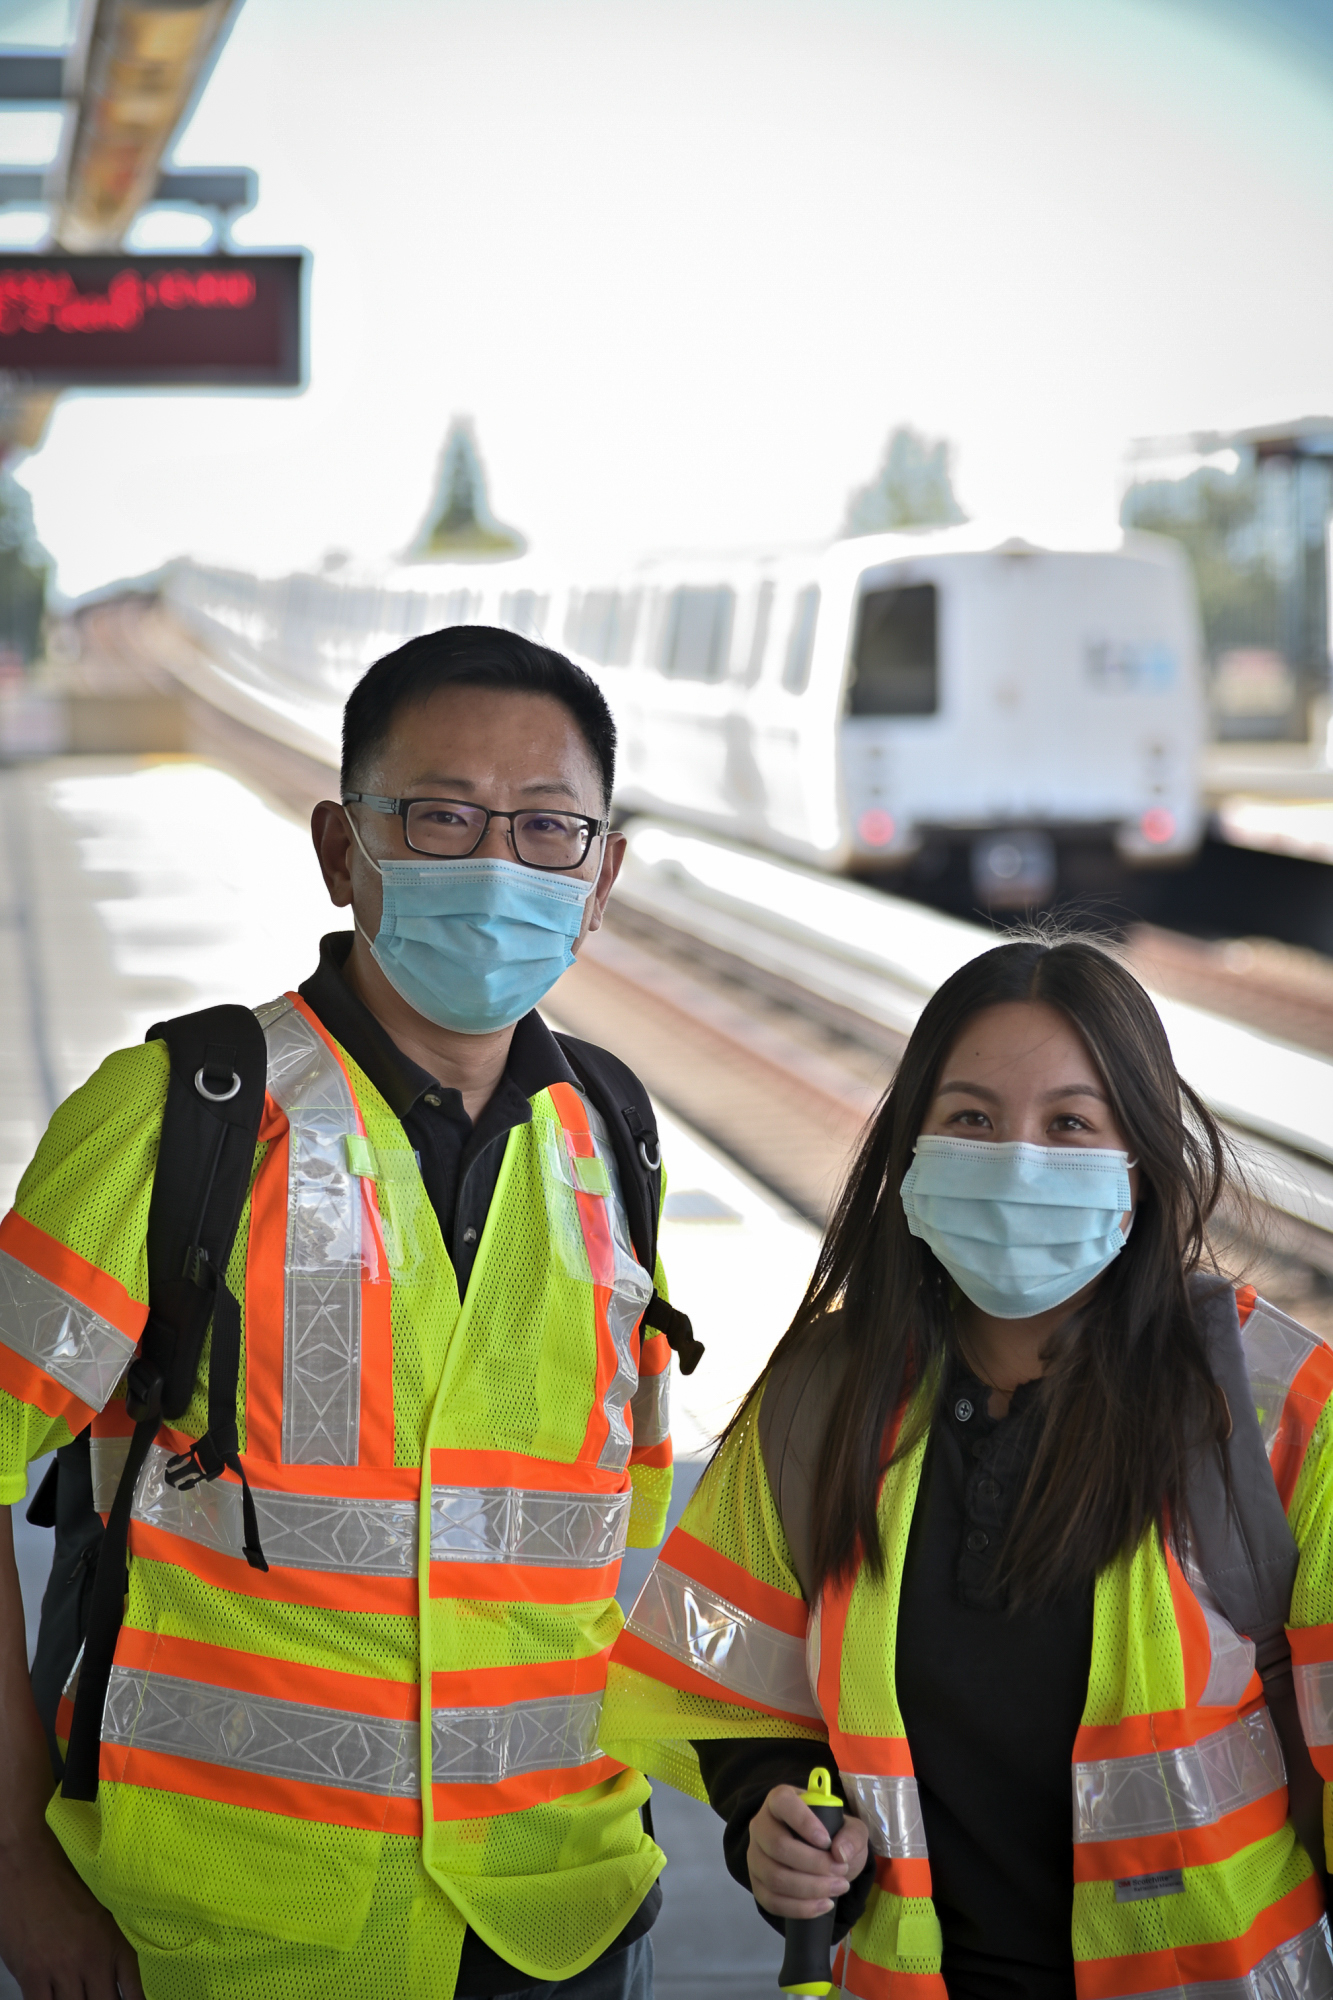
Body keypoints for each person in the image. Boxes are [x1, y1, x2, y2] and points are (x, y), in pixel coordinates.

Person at [0, 626, 678, 2000]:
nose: (497, 864)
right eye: (441, 816)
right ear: (341, 847)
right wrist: (15, 1861)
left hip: (562, 1915)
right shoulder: (175, 1121)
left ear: (600, 876)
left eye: (547, 827)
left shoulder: (612, 1137)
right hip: (231, 1933)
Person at [601, 936, 1333, 2000]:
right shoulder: (823, 1398)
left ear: (1141, 1158)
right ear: (911, 1148)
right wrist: (772, 1818)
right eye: (973, 1118)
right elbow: (740, 1697)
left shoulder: (1281, 1407)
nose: (1018, 1159)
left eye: (1070, 1123)